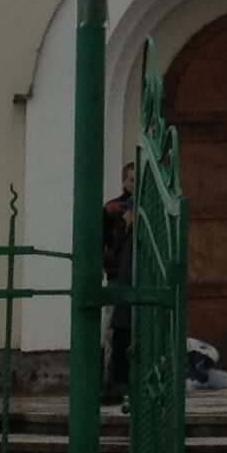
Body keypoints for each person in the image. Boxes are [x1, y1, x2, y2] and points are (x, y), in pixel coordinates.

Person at [100, 165, 137, 392]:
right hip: (117, 275)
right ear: (124, 181)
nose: (135, 184)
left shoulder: (148, 208)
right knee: (113, 328)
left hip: (140, 276)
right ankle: (111, 379)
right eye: (131, 179)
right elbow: (103, 241)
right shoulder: (112, 208)